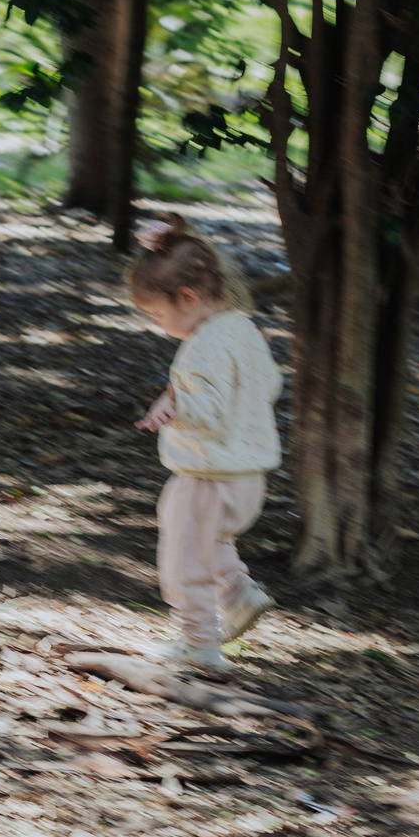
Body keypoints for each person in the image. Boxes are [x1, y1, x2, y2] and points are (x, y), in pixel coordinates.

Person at [129, 218, 280, 673]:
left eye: (158, 314)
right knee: (205, 540)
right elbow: (267, 385)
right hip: (246, 475)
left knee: (183, 560)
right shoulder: (242, 329)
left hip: (208, 476)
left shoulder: (204, 346)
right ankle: (237, 591)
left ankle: (199, 644)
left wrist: (175, 408)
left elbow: (208, 410)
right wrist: (177, 397)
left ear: (188, 298)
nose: (158, 325)